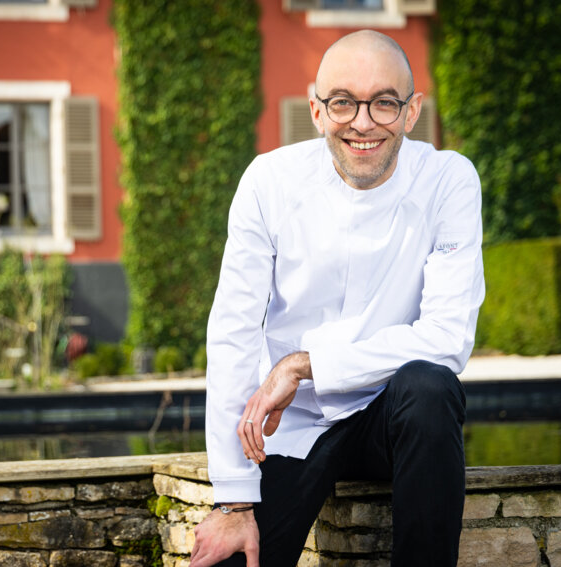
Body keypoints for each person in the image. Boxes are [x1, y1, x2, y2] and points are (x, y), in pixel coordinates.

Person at [189, 30, 485, 567]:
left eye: (385, 102)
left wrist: (305, 364)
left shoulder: (449, 180)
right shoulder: (269, 182)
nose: (364, 121)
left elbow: (446, 339)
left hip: (389, 419)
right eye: (343, 101)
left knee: (429, 385)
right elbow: (232, 333)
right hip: (289, 426)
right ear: (317, 110)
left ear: (412, 111)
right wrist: (232, 496)